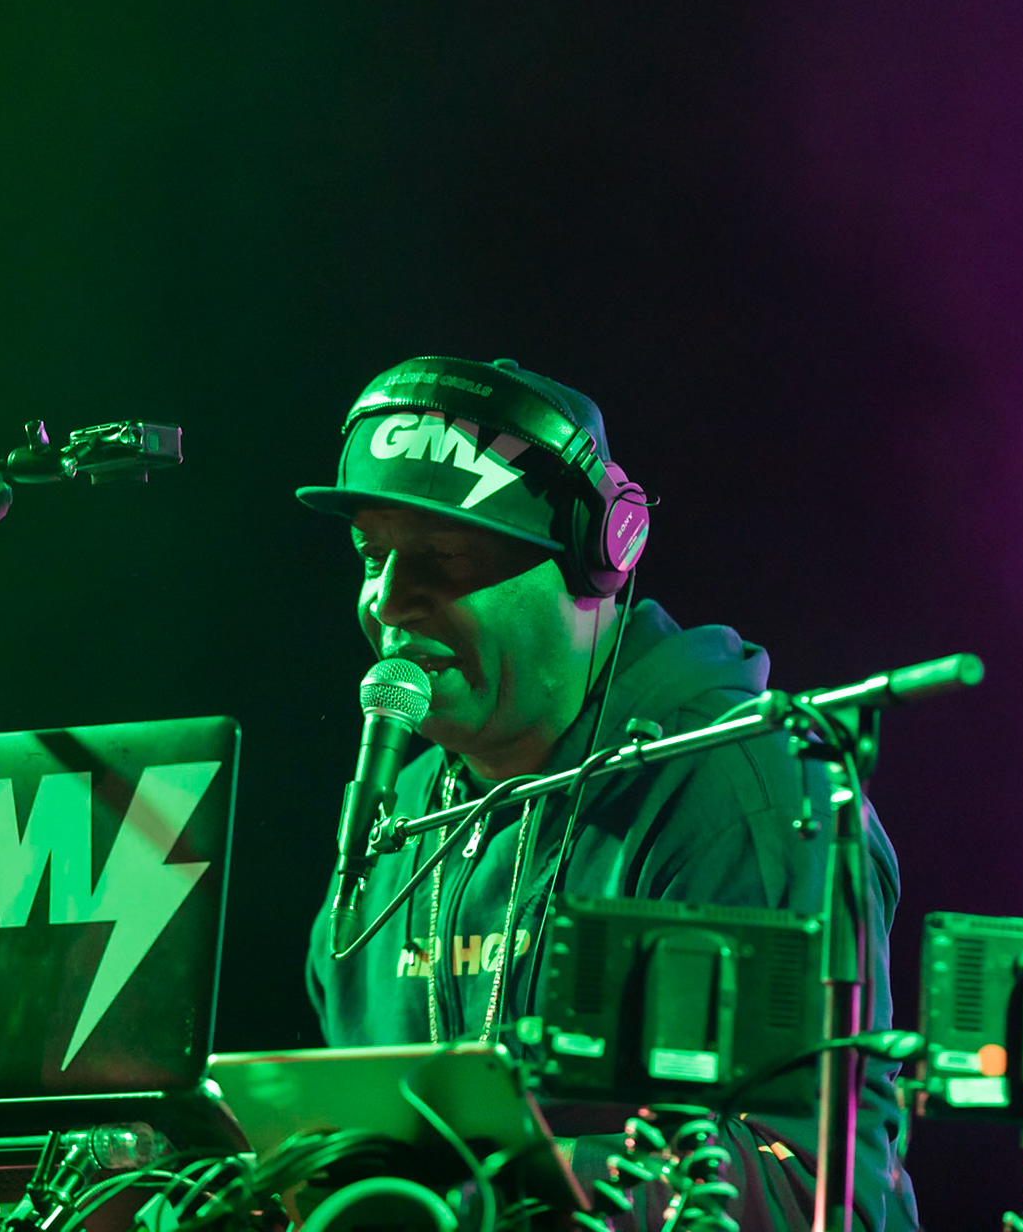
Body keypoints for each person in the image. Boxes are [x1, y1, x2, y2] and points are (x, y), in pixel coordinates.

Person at [297, 356, 920, 1232]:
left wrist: (507, 1198)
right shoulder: (396, 810)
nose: (390, 602)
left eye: (441, 560)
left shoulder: (734, 788)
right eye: (373, 555)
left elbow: (810, 1183)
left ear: (600, 564)